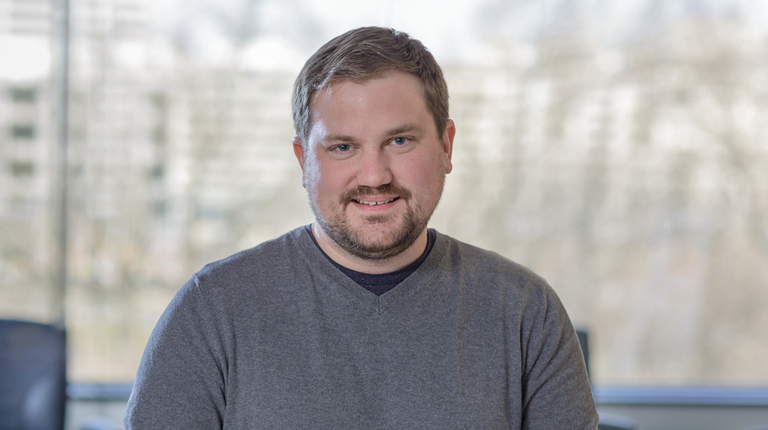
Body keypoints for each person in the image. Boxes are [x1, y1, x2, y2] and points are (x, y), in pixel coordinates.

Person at [124, 26, 599, 429]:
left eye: (399, 140)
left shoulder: (525, 314)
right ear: (303, 160)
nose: (374, 176)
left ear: (447, 146)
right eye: (343, 147)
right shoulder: (211, 312)